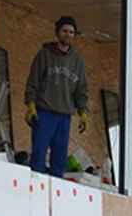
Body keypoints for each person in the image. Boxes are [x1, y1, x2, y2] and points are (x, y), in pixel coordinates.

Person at [23, 16, 90, 178]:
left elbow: (81, 90)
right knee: (39, 152)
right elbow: (33, 82)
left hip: (64, 116)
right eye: (65, 31)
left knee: (59, 158)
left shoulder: (77, 62)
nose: (68, 35)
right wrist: (30, 104)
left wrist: (83, 111)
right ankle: (35, 186)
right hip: (44, 112)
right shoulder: (44, 55)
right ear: (58, 33)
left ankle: (56, 192)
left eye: (71, 32)